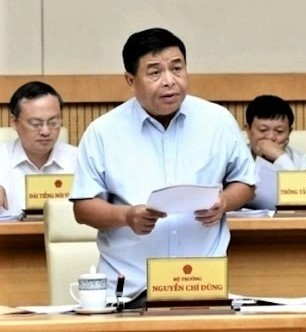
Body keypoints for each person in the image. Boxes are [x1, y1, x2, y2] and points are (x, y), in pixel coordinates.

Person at [70, 27, 257, 302]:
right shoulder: (103, 132)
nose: (169, 81)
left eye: (177, 69)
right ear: (130, 80)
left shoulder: (218, 121)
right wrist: (127, 217)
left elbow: (246, 182)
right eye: (155, 72)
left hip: (202, 284)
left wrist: (225, 201)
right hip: (131, 289)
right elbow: (83, 207)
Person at [0, 81, 76, 220]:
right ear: (14, 122)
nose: (46, 131)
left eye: (53, 123)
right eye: (36, 124)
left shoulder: (80, 160)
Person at [243, 94, 306, 210]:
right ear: (248, 130)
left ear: (289, 132)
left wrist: (281, 158)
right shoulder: (234, 159)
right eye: (263, 130)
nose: (271, 137)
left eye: (279, 131)